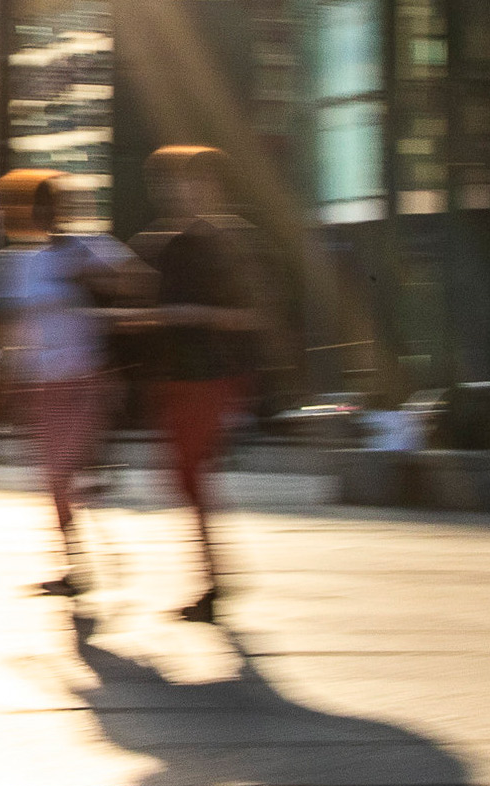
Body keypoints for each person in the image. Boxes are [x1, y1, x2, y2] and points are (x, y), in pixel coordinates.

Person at [119, 146, 271, 623]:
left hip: (215, 374)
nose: (179, 193)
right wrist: (133, 317)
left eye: (191, 184)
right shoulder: (157, 245)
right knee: (180, 478)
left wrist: (193, 315)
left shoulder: (234, 243)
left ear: (212, 188)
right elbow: (147, 305)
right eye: (170, 185)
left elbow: (253, 316)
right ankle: (214, 577)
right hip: (173, 376)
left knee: (189, 475)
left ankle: (213, 580)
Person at [0, 168, 133, 599]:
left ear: (63, 210)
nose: (46, 215)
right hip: (38, 386)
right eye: (38, 208)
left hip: (83, 378)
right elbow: (10, 328)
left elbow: (136, 281)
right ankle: (74, 564)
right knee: (55, 482)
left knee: (62, 471)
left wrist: (91, 282)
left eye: (52, 206)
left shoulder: (89, 248)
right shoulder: (17, 264)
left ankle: (92, 482)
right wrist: (5, 374)